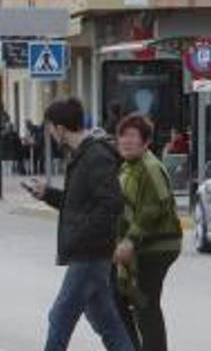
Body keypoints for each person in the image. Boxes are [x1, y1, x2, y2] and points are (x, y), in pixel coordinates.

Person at [24, 98, 136, 351]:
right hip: (89, 251)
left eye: (50, 128)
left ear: (60, 129)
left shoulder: (95, 157)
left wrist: (81, 234)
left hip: (89, 252)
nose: (50, 134)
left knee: (60, 316)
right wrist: (48, 194)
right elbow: (79, 205)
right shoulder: (82, 156)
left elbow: (111, 204)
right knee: (107, 322)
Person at [112, 115, 183, 351]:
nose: (126, 141)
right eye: (122, 136)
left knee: (145, 303)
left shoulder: (149, 167)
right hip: (143, 244)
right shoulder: (128, 167)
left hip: (157, 245)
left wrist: (130, 241)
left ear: (145, 142)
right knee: (123, 298)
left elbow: (154, 207)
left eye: (132, 136)